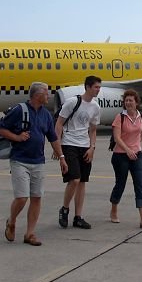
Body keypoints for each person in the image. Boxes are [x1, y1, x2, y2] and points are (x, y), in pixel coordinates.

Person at [0, 82, 63, 246]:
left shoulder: (46, 115)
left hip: (38, 162)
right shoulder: (19, 110)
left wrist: (61, 156)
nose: (49, 96)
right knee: (22, 197)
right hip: (20, 160)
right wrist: (17, 137)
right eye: (46, 93)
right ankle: (11, 221)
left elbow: (53, 137)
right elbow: (1, 128)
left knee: (36, 197)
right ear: (37, 95)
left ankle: (30, 233)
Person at [56, 75, 102, 229]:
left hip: (85, 146)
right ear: (88, 87)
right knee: (74, 179)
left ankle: (78, 216)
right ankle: (64, 209)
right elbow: (59, 123)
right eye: (96, 87)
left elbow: (93, 129)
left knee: (82, 182)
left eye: (99, 87)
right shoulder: (72, 102)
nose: (98, 90)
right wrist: (58, 147)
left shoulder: (95, 107)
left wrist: (92, 147)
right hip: (69, 144)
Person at [109, 90, 142, 228]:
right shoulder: (120, 117)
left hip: (137, 154)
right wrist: (127, 150)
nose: (128, 103)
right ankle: (114, 209)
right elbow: (117, 138)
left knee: (140, 184)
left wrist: (139, 140)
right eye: (126, 100)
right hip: (120, 155)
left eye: (131, 100)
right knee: (120, 184)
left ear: (136, 103)